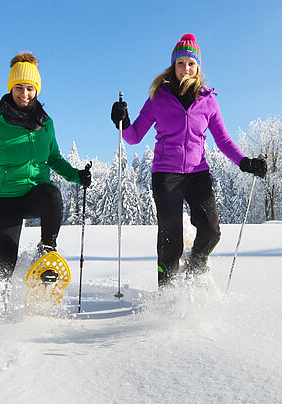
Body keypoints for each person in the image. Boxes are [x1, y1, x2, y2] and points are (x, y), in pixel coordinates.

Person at [110, 33, 267, 288]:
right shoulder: (158, 97)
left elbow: (224, 141)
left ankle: (197, 265)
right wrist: (123, 122)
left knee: (211, 231)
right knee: (171, 237)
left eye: (191, 64)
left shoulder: (208, 101)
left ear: (198, 68)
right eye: (181, 63)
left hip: (197, 174)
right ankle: (167, 294)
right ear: (173, 65)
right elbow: (135, 136)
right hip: (166, 174)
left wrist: (245, 162)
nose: (186, 68)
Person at [0, 51, 91, 284]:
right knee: (4, 263)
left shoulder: (45, 122)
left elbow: (54, 157)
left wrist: (77, 175)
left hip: (33, 194)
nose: (24, 94)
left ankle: (46, 252)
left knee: (51, 193)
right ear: (11, 88)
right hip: (3, 199)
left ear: (36, 90)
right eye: (19, 87)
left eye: (30, 88)